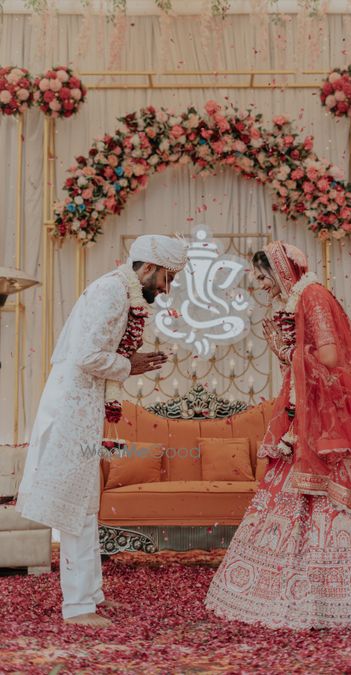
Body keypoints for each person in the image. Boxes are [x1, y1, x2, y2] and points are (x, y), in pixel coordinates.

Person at [205, 240, 351, 630]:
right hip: (309, 418)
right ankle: (289, 589)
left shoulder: (312, 296)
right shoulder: (300, 299)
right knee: (293, 494)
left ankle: (338, 595)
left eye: (262, 276)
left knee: (328, 499)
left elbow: (330, 357)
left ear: (281, 270)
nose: (262, 285)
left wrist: (287, 351)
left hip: (327, 424)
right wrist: (287, 352)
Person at [17, 234, 188, 627]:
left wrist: (129, 360)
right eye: (167, 277)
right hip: (72, 407)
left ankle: (91, 595)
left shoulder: (118, 290)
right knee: (76, 506)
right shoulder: (112, 292)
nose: (167, 288)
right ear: (149, 268)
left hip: (83, 404)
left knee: (87, 503)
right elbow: (87, 356)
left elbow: (95, 353)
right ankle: (78, 607)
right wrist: (130, 364)